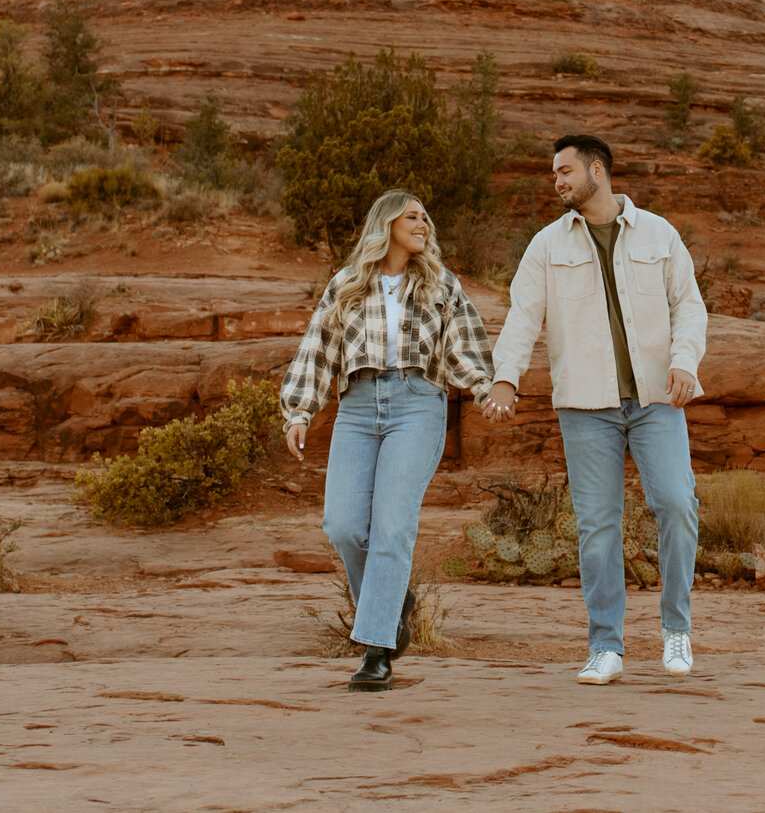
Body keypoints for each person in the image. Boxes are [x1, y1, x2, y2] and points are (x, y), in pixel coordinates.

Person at [483, 134, 708, 684]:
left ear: (597, 170)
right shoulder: (546, 245)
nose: (556, 182)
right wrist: (505, 378)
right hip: (585, 407)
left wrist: (685, 362)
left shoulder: (659, 233)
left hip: (658, 399)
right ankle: (605, 645)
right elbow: (522, 315)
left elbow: (689, 306)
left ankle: (676, 630)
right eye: (553, 174)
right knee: (598, 527)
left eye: (564, 171)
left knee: (677, 505)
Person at [281, 190, 494, 691]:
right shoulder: (347, 284)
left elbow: (464, 344)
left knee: (392, 528)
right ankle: (394, 602)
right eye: (413, 216)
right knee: (343, 525)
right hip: (357, 406)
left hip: (417, 403)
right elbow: (318, 349)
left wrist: (486, 388)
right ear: (388, 223)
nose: (424, 224)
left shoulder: (441, 283)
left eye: (426, 218)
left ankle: (377, 651)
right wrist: (299, 412)